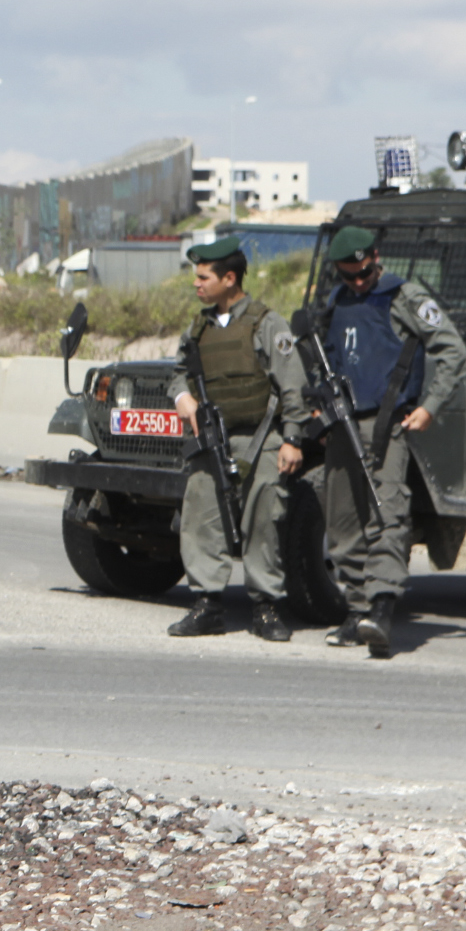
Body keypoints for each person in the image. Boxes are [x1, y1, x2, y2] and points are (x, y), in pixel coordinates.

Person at [315, 224, 466, 657]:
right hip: (343, 423)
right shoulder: (338, 300)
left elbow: (451, 348)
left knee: (388, 513)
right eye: (350, 276)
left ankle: (382, 607)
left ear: (376, 257)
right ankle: (357, 610)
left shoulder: (405, 296)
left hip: (389, 424)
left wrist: (430, 405)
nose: (359, 283)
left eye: (365, 273)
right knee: (343, 521)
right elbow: (332, 357)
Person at [165, 236, 305, 641]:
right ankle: (207, 604)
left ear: (229, 279)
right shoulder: (198, 328)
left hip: (261, 440)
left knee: (264, 519)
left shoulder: (266, 323)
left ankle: (265, 608)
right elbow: (178, 372)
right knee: (201, 517)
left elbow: (293, 384)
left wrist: (293, 438)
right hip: (211, 440)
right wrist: (183, 396)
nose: (196, 284)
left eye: (204, 277)